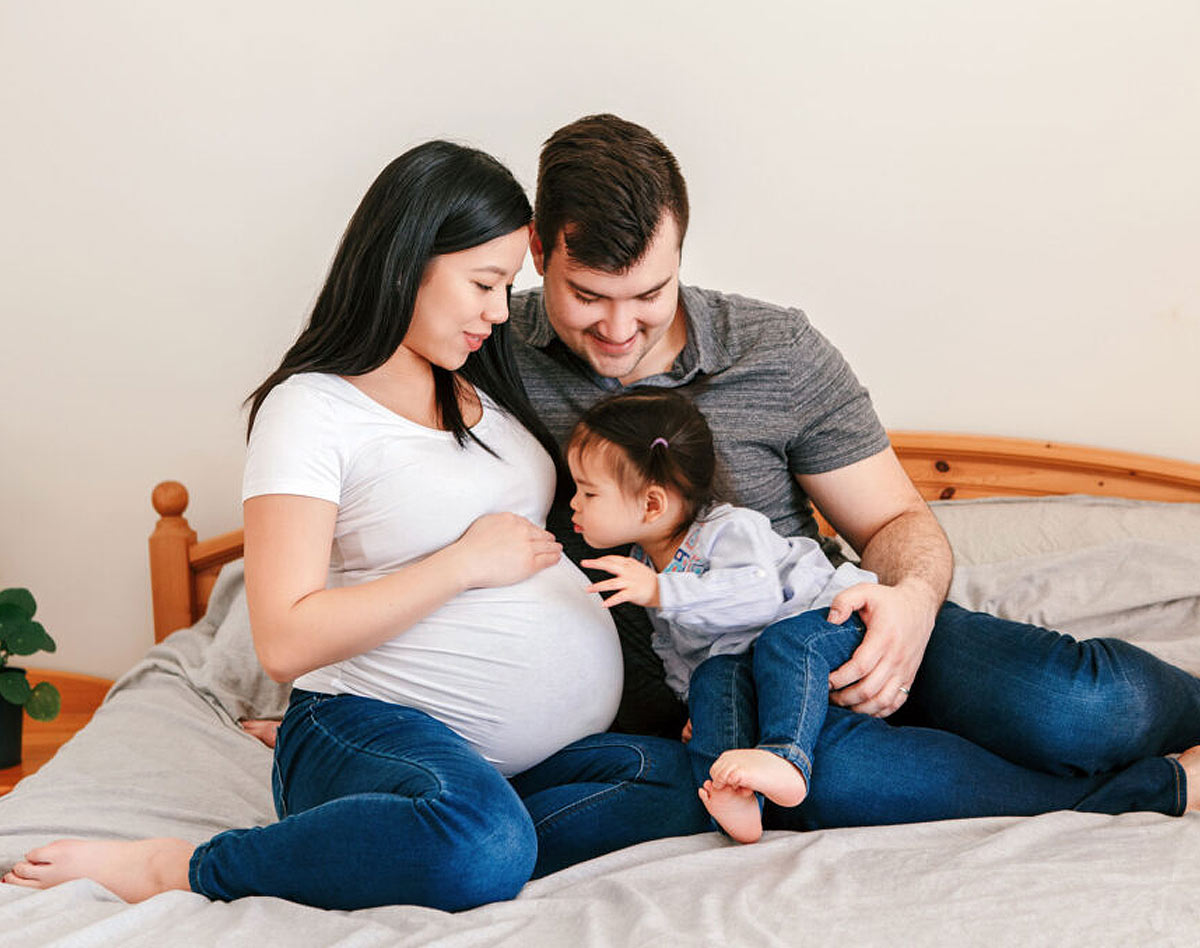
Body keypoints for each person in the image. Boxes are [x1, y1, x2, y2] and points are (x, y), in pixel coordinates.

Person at [0, 141, 711, 911]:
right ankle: (188, 866)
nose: (501, 311)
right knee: (482, 844)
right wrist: (464, 564)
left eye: (509, 285)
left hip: (486, 761)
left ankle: (405, 833)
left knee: (683, 781)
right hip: (365, 721)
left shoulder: (480, 392)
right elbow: (284, 636)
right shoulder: (312, 409)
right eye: (483, 283)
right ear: (408, 261)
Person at [507, 113, 1200, 828]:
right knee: (824, 787)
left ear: (681, 252)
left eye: (650, 295)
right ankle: (1156, 789)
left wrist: (910, 607)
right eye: (588, 296)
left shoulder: (777, 351)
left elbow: (896, 519)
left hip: (836, 623)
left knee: (1077, 710)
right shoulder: (489, 359)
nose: (619, 329)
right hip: (739, 697)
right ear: (534, 249)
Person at [567, 388, 877, 842]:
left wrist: (659, 590)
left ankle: (786, 758)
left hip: (829, 621)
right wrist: (693, 701)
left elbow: (757, 598)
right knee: (716, 678)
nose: (573, 503)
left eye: (588, 492)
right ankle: (737, 804)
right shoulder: (647, 561)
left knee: (783, 645)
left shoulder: (729, 528)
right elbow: (675, 647)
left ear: (652, 504)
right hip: (757, 661)